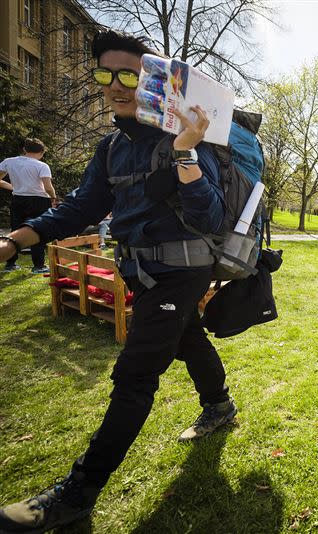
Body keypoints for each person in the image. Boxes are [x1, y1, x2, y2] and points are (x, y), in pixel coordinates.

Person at [0, 30, 237, 533]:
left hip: (183, 269)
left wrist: (187, 153)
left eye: (129, 74)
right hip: (141, 270)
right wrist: (17, 239)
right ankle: (220, 404)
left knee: (134, 376)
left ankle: (77, 493)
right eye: (105, 74)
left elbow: (212, 215)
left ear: (154, 80)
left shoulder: (191, 135)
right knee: (185, 337)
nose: (116, 85)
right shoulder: (111, 148)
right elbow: (81, 207)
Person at [0, 138, 57, 273]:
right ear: (42, 152)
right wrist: (54, 197)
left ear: (25, 150)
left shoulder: (9, 162)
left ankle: (10, 264)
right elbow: (48, 187)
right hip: (39, 200)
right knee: (37, 231)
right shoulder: (42, 166)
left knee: (15, 231)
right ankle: (38, 266)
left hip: (18, 199)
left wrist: (14, 187)